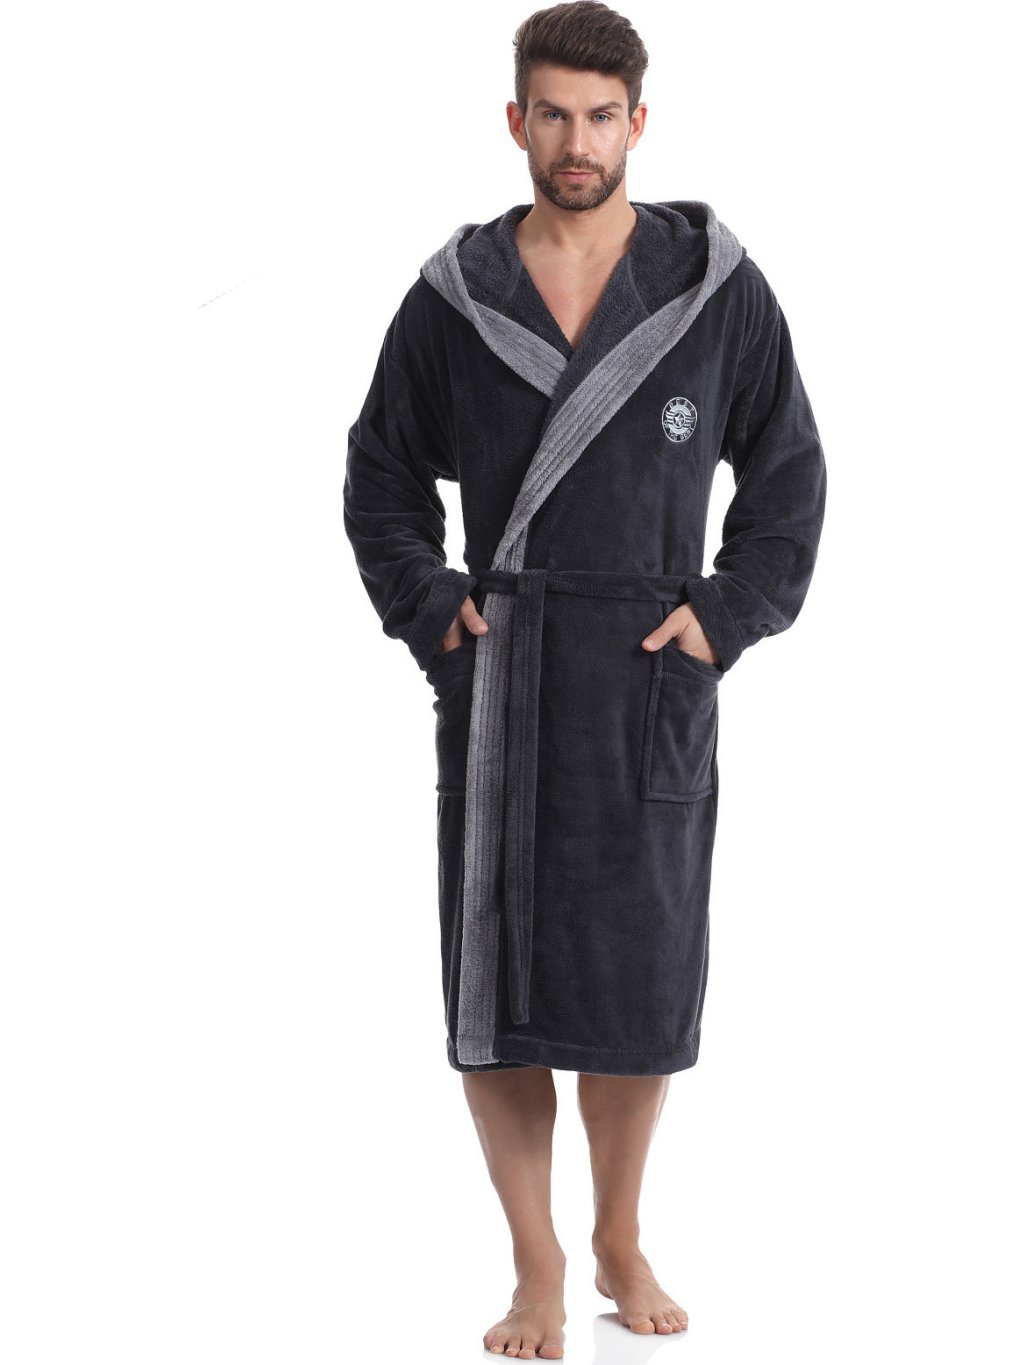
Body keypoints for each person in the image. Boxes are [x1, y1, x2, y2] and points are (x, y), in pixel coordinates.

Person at [343, 2, 827, 1356]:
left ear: (638, 123)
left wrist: (722, 617)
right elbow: (381, 474)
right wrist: (434, 609)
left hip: (643, 683)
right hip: (503, 681)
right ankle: (537, 1260)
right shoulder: (456, 298)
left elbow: (789, 473)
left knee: (634, 984)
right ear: (516, 120)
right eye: (552, 114)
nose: (577, 142)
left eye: (601, 117)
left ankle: (619, 1229)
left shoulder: (712, 287)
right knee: (495, 997)